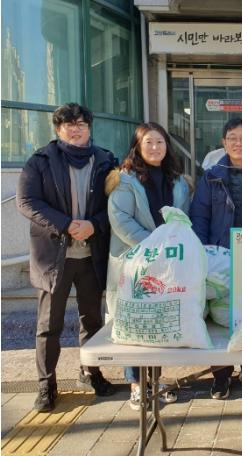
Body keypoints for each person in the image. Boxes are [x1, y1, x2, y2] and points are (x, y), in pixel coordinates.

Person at [16, 103, 116, 412]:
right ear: (58, 129)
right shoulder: (41, 161)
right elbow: (26, 201)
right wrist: (65, 223)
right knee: (49, 325)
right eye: (68, 125)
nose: (75, 129)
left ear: (89, 128)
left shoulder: (105, 160)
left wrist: (94, 224)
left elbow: (117, 204)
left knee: (92, 320)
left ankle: (91, 372)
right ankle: (46, 385)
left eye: (81, 124)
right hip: (53, 257)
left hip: (91, 255)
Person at [105, 122, 190, 410]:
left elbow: (183, 218)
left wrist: (171, 246)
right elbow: (121, 220)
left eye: (160, 142)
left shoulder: (178, 181)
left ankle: (155, 379)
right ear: (137, 147)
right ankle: (136, 384)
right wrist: (154, 245)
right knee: (133, 320)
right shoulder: (124, 179)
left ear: (167, 146)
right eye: (148, 142)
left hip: (165, 262)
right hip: (135, 260)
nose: (155, 147)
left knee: (156, 320)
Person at [190, 117, 242, 399]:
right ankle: (221, 374)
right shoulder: (211, 176)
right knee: (217, 314)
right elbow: (200, 217)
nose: (238, 143)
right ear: (224, 143)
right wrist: (203, 253)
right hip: (219, 253)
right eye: (232, 138)